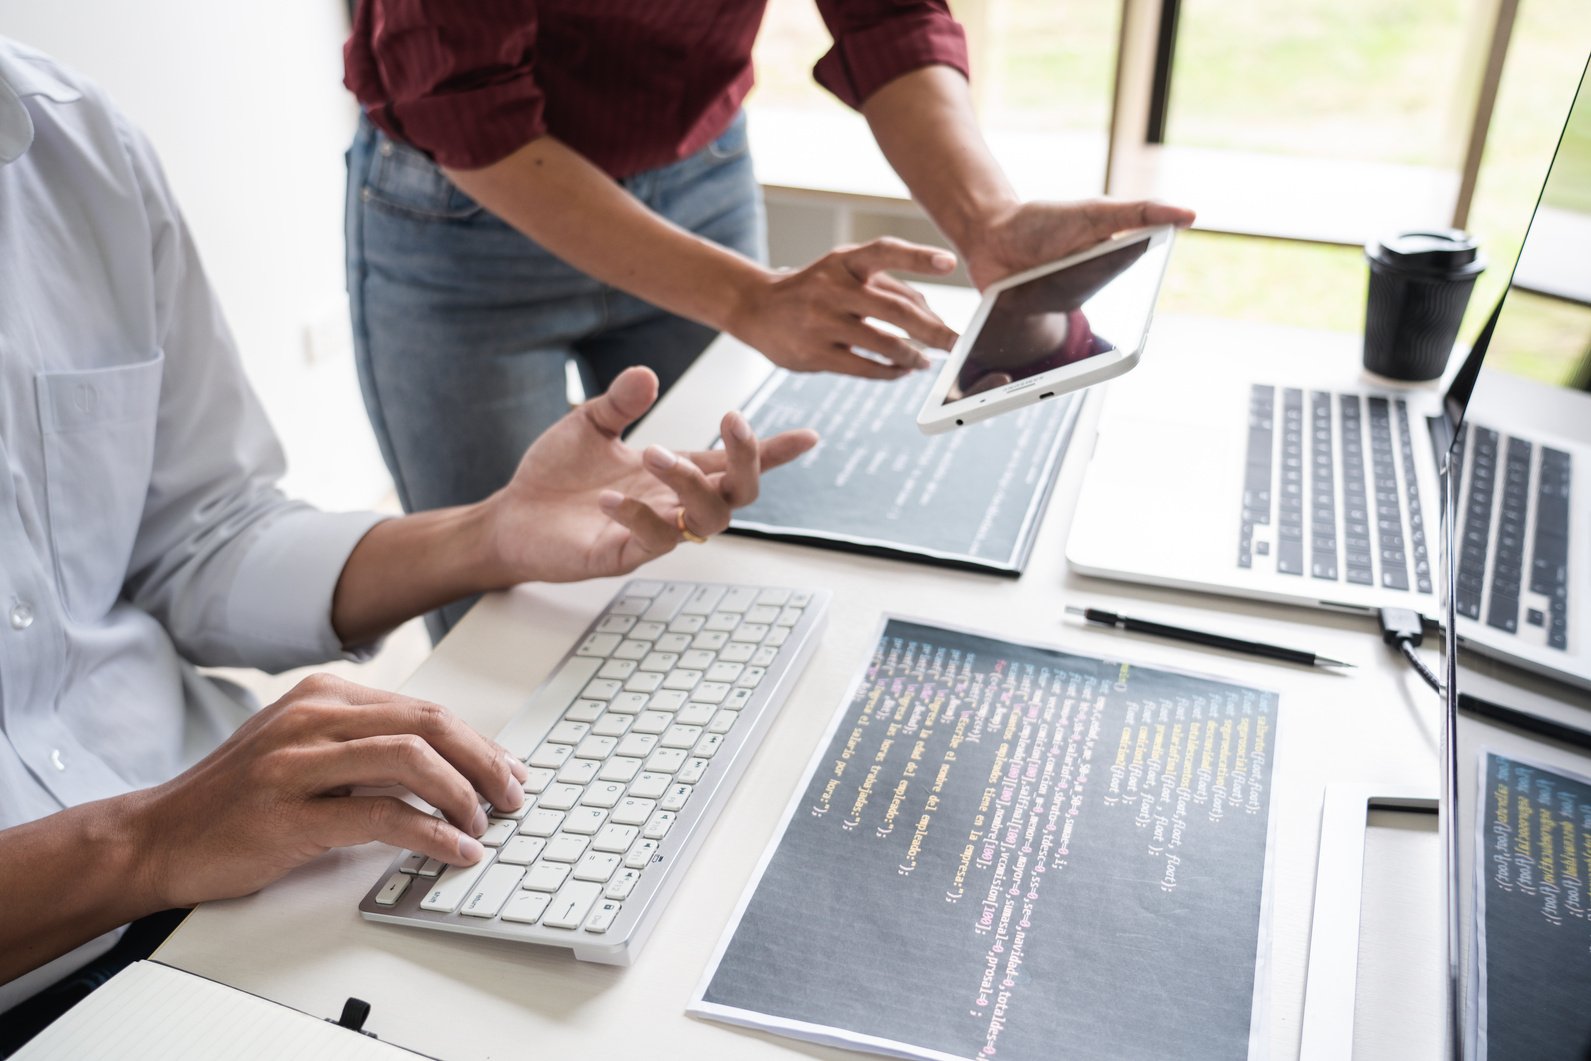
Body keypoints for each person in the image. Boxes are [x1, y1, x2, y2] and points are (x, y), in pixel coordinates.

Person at [0, 37, 815, 1043]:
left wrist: (490, 534)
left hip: (236, 886)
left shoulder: (70, 144)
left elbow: (194, 535)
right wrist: (147, 839)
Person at [343, 0, 1196, 635]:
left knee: (711, 540)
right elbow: (461, 96)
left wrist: (986, 220)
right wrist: (747, 298)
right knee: (497, 600)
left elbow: (888, 14)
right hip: (461, 210)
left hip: (695, 171)